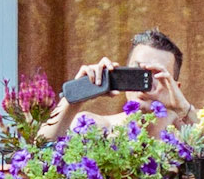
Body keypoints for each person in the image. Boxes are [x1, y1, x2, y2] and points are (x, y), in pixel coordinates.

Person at [37, 27, 195, 142]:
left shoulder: (187, 131)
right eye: (138, 72)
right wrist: (74, 95)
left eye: (158, 74)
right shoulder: (95, 127)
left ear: (175, 88)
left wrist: (183, 107)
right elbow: (39, 153)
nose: (146, 83)